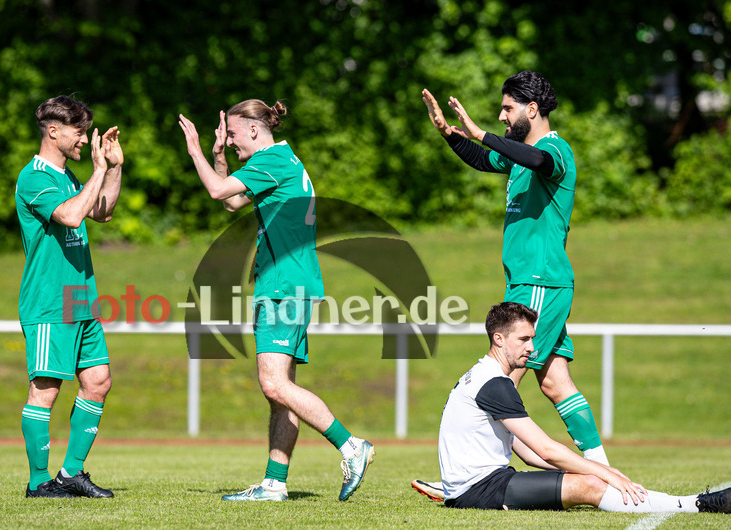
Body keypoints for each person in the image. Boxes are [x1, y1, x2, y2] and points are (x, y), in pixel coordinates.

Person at [179, 100, 374, 502]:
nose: (229, 141)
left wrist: (196, 149)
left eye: (231, 134)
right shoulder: (282, 161)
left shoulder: (271, 162)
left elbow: (218, 191)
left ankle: (352, 445)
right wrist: (218, 159)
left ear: (253, 130)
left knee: (272, 384)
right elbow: (232, 201)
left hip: (283, 286)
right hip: (293, 284)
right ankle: (274, 482)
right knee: (281, 390)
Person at [422, 71, 611, 466]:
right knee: (556, 382)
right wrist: (449, 133)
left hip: (538, 282)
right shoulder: (517, 156)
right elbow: (484, 159)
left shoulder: (554, 150)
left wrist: (481, 133)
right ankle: (602, 468)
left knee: (501, 380)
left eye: (508, 109)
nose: (502, 116)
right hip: (534, 283)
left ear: (532, 108)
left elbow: (538, 158)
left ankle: (479, 469)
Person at [423, 301, 731, 514]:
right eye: (523, 340)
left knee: (590, 478)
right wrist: (602, 471)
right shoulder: (494, 383)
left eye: (532, 338)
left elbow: (525, 451)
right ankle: (697, 505)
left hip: (483, 484)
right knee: (592, 485)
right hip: (479, 491)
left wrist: (587, 469)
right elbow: (546, 450)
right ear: (498, 339)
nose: (532, 348)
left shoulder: (483, 375)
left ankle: (692, 501)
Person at [15, 96, 123, 499]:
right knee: (46, 388)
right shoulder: (34, 177)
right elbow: (72, 215)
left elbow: (102, 211)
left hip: (81, 298)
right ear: (53, 131)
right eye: (79, 132)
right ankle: (38, 481)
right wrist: (96, 170)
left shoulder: (68, 178)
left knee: (98, 381)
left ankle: (70, 474)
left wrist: (114, 169)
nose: (84, 139)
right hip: (49, 300)